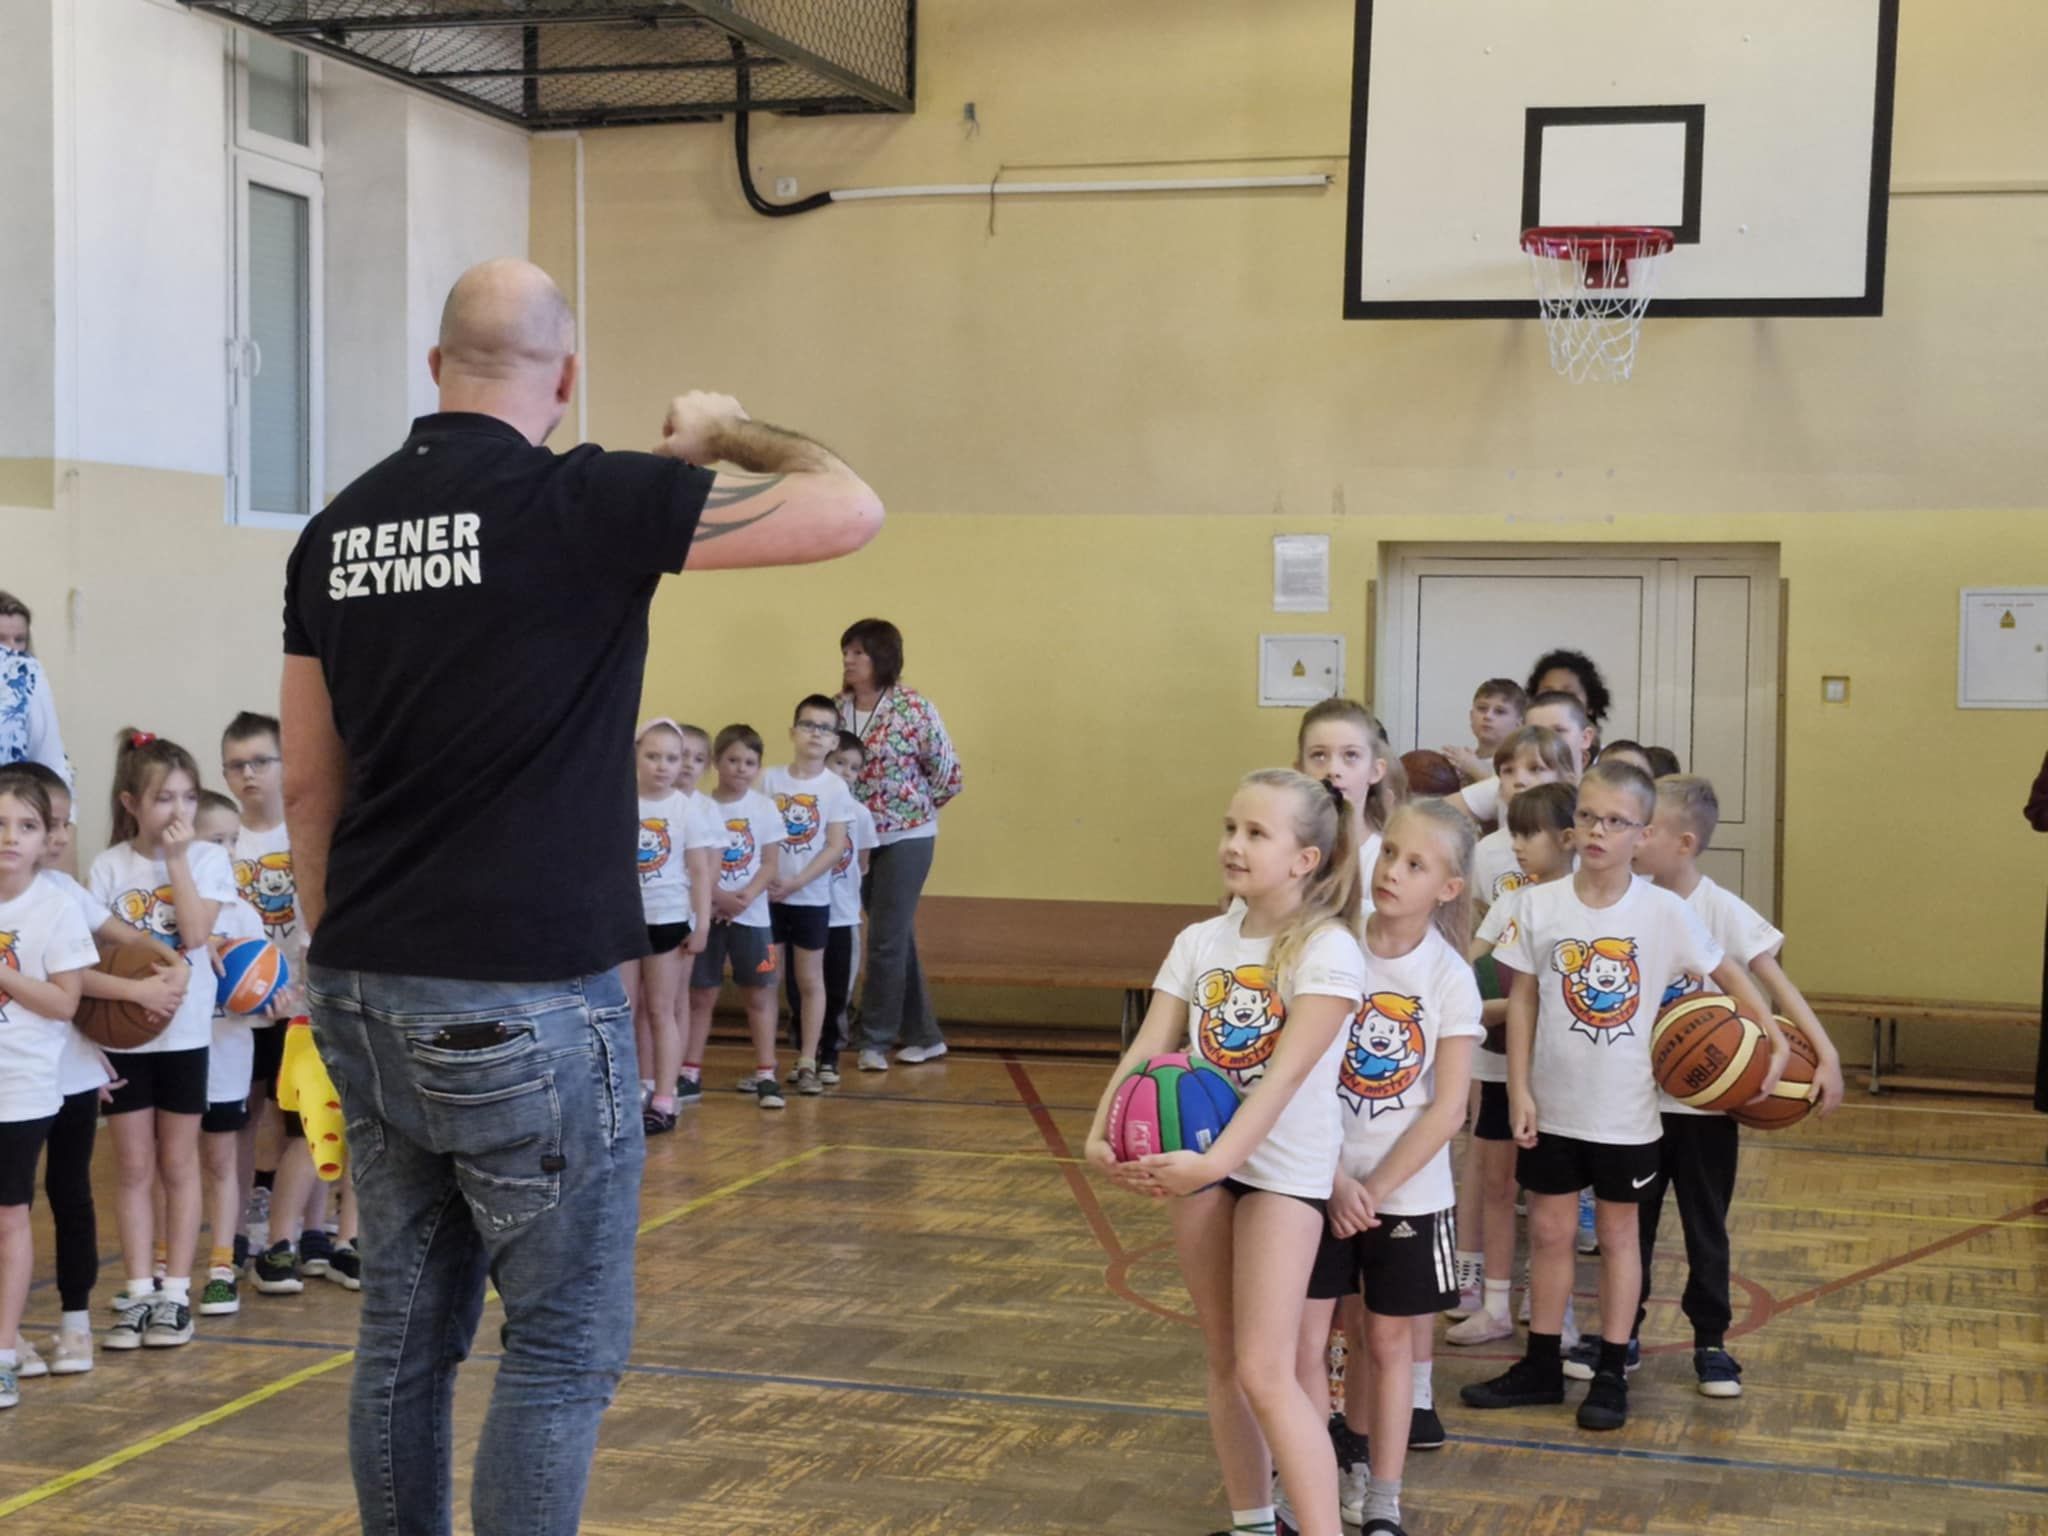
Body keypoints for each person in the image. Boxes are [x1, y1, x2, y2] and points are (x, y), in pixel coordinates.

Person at [279, 257, 882, 1536]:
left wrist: (347, 963)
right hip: (528, 998)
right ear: (564, 379)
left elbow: (306, 786)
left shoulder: (333, 533)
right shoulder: (586, 497)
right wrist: (727, 430)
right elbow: (848, 506)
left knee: (403, 1334)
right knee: (559, 1346)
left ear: (434, 369)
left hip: (366, 980)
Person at [1085, 769, 1366, 1536]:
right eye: (1230, 828)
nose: (1235, 845)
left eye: (1256, 833)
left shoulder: (1329, 950)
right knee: (1222, 1360)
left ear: (1305, 860)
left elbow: (1282, 1081)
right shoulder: (1199, 942)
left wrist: (1215, 1164)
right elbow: (1150, 1048)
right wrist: (1103, 1129)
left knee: (1265, 1371)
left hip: (1281, 1175)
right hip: (1205, 1168)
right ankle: (1253, 1525)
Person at [1461, 759, 1779, 1433]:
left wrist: (1770, 1036)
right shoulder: (1538, 905)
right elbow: (1523, 1001)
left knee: (1618, 1238)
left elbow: (1729, 971)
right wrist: (1518, 1088)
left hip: (1626, 1115)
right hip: (1553, 1105)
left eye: (1615, 821)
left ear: (1642, 833)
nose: (1598, 831)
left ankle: (1610, 1369)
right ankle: (1541, 1364)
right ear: (1573, 826)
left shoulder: (1664, 912)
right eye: (1588, 817)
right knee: (1549, 1233)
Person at [1571, 775, 1844, 1395]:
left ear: (1683, 843)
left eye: (1646, 830)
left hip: (1707, 1110)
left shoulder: (1720, 909)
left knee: (1705, 1225)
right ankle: (1622, 1335)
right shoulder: (1626, 901)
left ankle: (1711, 1342)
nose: (1635, 838)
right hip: (1635, 1103)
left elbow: (1777, 984)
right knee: (1628, 1228)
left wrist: (1825, 1054)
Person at [1303, 801, 1481, 1536]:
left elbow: (1448, 1111)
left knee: (1385, 1342)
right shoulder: (1333, 945)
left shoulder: (1449, 978)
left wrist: (1370, 1191)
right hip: (1316, 1181)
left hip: (1406, 1196)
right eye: (1390, 854)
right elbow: (1299, 1072)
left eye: (1416, 864)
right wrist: (1334, 1180)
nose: (1393, 872)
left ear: (1448, 888)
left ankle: (1383, 1495)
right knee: (1311, 1341)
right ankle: (1315, 1472)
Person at [17, 763, 183, 1379]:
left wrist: (172, 963)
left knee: (71, 1195)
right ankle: (11, 1333)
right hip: (16, 1073)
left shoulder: (65, 892)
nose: (59, 837)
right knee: (11, 1207)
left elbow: (125, 938)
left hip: (70, 1072)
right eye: (48, 823)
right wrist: (136, 993)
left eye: (63, 824)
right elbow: (73, 978)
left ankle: (75, 1322)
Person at [89, 730, 234, 1351]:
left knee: (178, 1163)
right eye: (163, 798)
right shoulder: (106, 867)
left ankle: (176, 1293)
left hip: (184, 1035)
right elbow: (93, 951)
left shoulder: (206, 860)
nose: (179, 810)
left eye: (189, 796)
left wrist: (177, 860)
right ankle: (138, 1290)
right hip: (123, 1035)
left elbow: (196, 937)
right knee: (131, 1166)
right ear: (131, 803)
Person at [1448, 781, 1577, 1347]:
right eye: (1514, 833)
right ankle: (1495, 1306)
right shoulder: (1510, 904)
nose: (1517, 845)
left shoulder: (1584, 909)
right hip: (1501, 1067)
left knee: (1553, 1200)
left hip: (1558, 1073)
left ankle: (1556, 1310)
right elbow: (1464, 971)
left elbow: (1560, 1000)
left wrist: (1508, 1008)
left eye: (1529, 834)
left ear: (1568, 838)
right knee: (1498, 1187)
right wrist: (1480, 1006)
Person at [0, 769, 99, 1410]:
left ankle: (3, 1355)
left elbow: (65, 1003)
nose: (10, 836)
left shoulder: (55, 908)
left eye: (26, 825)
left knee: (10, 1215)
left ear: (46, 840)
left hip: (19, 1087)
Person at [836, 618, 962, 1072]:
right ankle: (926, 1036)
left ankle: (874, 1039)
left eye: (859, 652)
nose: (849, 660)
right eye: (846, 652)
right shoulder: (837, 710)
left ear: (882, 658)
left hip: (907, 837)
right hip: (856, 840)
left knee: (885, 940)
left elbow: (948, 774)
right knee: (895, 937)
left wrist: (911, 811)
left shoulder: (913, 708)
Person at [192, 793, 273, 1316]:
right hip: (175, 1059)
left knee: (222, 1161)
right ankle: (163, 1268)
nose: (225, 851)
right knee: (170, 1164)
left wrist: (271, 998)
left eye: (232, 840)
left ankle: (222, 1265)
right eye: (213, 840)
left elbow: (260, 999)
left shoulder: (244, 916)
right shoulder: (169, 911)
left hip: (226, 1058)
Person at [685, 724, 790, 1109]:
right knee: (701, 994)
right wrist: (717, 899)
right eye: (732, 760)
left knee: (760, 993)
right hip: (707, 913)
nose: (740, 768)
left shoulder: (764, 808)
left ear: (759, 767)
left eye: (749, 762)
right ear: (716, 762)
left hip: (753, 917)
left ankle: (766, 1073)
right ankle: (689, 1072)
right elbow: (693, 863)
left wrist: (744, 897)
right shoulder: (700, 806)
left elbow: (770, 862)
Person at [764, 695, 859, 1096]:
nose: (815, 734)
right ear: (793, 732)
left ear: (834, 740)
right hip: (768, 903)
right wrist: (766, 880)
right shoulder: (769, 779)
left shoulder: (835, 788)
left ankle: (808, 1060)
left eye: (824, 728)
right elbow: (753, 833)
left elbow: (835, 847)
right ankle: (765, 1065)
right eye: (808, 725)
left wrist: (797, 882)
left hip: (810, 901)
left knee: (810, 980)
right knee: (767, 979)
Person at [629, 719, 713, 1134]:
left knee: (661, 1010)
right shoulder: (621, 801)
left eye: (671, 758)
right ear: (636, 756)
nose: (663, 766)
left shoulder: (686, 808)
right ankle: (628, 1092)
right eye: (653, 756)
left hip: (668, 919)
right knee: (624, 1010)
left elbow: (699, 871)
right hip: (626, 920)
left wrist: (701, 925)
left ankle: (665, 1096)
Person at [814, 731, 878, 1084]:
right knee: (803, 987)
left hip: (842, 915)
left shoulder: (861, 815)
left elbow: (862, 863)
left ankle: (830, 1055)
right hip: (807, 910)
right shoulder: (808, 807)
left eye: (853, 767)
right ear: (824, 761)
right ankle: (805, 1052)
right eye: (839, 762)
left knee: (838, 989)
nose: (845, 772)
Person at [1297, 699, 1404, 887]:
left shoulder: (1385, 862)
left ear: (1375, 770)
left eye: (1351, 755)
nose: (1333, 770)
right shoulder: (1280, 854)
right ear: (1299, 770)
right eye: (1319, 755)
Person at [1453, 691, 1595, 827]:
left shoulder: (1600, 791)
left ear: (1585, 738)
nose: (1545, 739)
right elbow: (1444, 812)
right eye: (1535, 732)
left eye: (1558, 730)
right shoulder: (1512, 781)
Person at [1441, 679, 1526, 785]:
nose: (1488, 716)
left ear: (1519, 724)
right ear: (1471, 716)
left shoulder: (1524, 763)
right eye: (1482, 708)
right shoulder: (1461, 760)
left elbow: (1511, 792)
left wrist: (1475, 769)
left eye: (1500, 712)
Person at [1525, 650, 1611, 741]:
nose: (1557, 701)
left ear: (1591, 705)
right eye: (1548, 694)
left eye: (1568, 695)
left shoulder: (1610, 751)